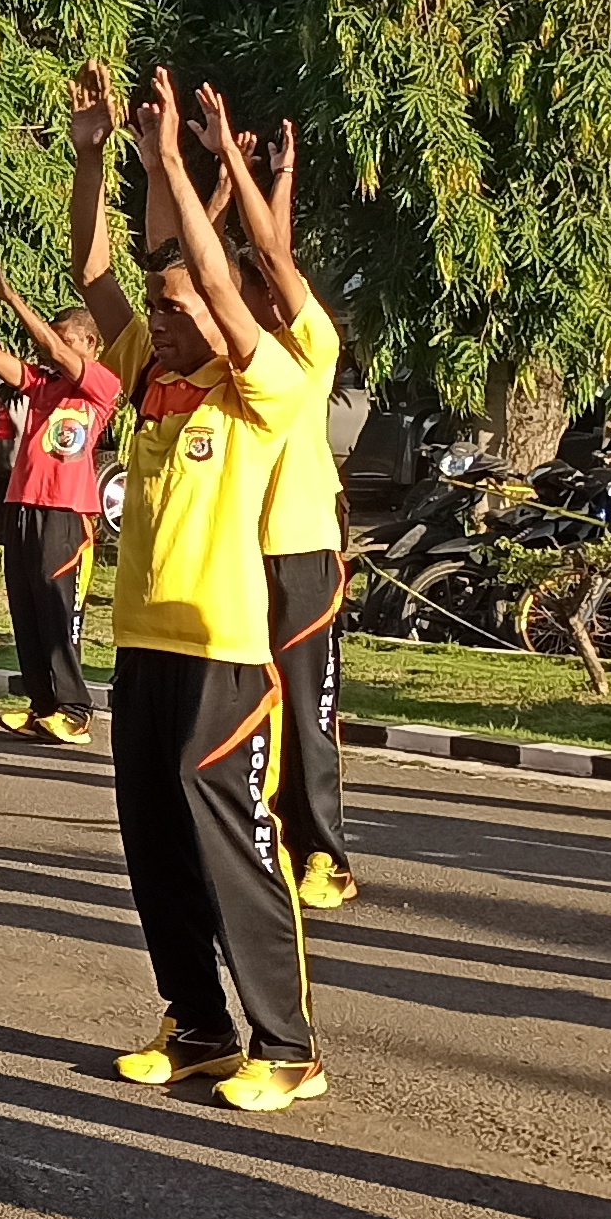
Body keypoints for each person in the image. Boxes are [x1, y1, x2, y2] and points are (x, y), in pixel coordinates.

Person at [96, 74, 337, 1112]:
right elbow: (107, 277)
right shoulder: (157, 388)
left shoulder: (266, 387)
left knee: (231, 846)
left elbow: (220, 282)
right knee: (150, 841)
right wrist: (120, 160)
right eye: (160, 310)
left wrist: (185, 175)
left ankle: (286, 1045)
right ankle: (196, 1024)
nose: (162, 315)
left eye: (181, 303)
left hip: (227, 655)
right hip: (144, 645)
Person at [0, 103, 127, 750]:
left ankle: (73, 707)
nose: (60, 341)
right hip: (24, 502)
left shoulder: (101, 385)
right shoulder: (45, 386)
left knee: (58, 607)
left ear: (90, 345)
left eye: (71, 333)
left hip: (67, 513)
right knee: (25, 605)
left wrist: (13, 295)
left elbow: (49, 348)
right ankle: (40, 700)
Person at [208, 100, 357, 911]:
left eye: (257, 290)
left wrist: (256, 167)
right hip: (235, 553)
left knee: (306, 708)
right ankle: (259, 837)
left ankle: (325, 854)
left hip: (299, 548)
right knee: (247, 705)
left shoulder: (310, 345)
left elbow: (274, 252)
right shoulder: (231, 364)